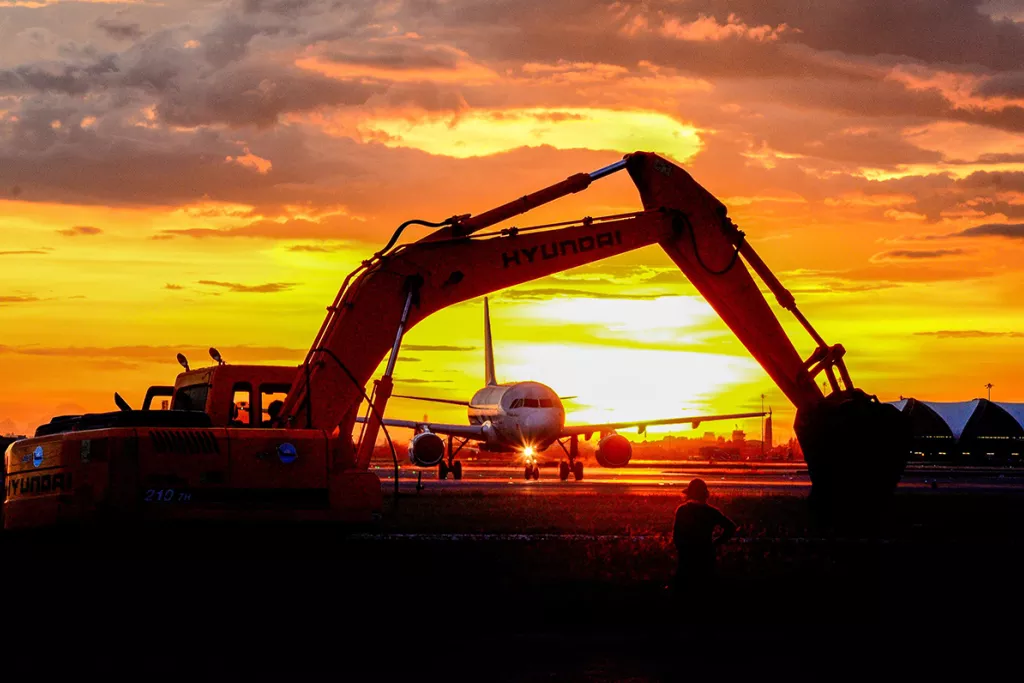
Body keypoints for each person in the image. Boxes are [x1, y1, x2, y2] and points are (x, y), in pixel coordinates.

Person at [672, 478, 737, 595]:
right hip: (706, 555)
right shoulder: (712, 512)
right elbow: (731, 527)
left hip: (687, 556)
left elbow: (677, 537)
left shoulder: (682, 510)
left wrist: (682, 549)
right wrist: (716, 543)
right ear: (705, 495)